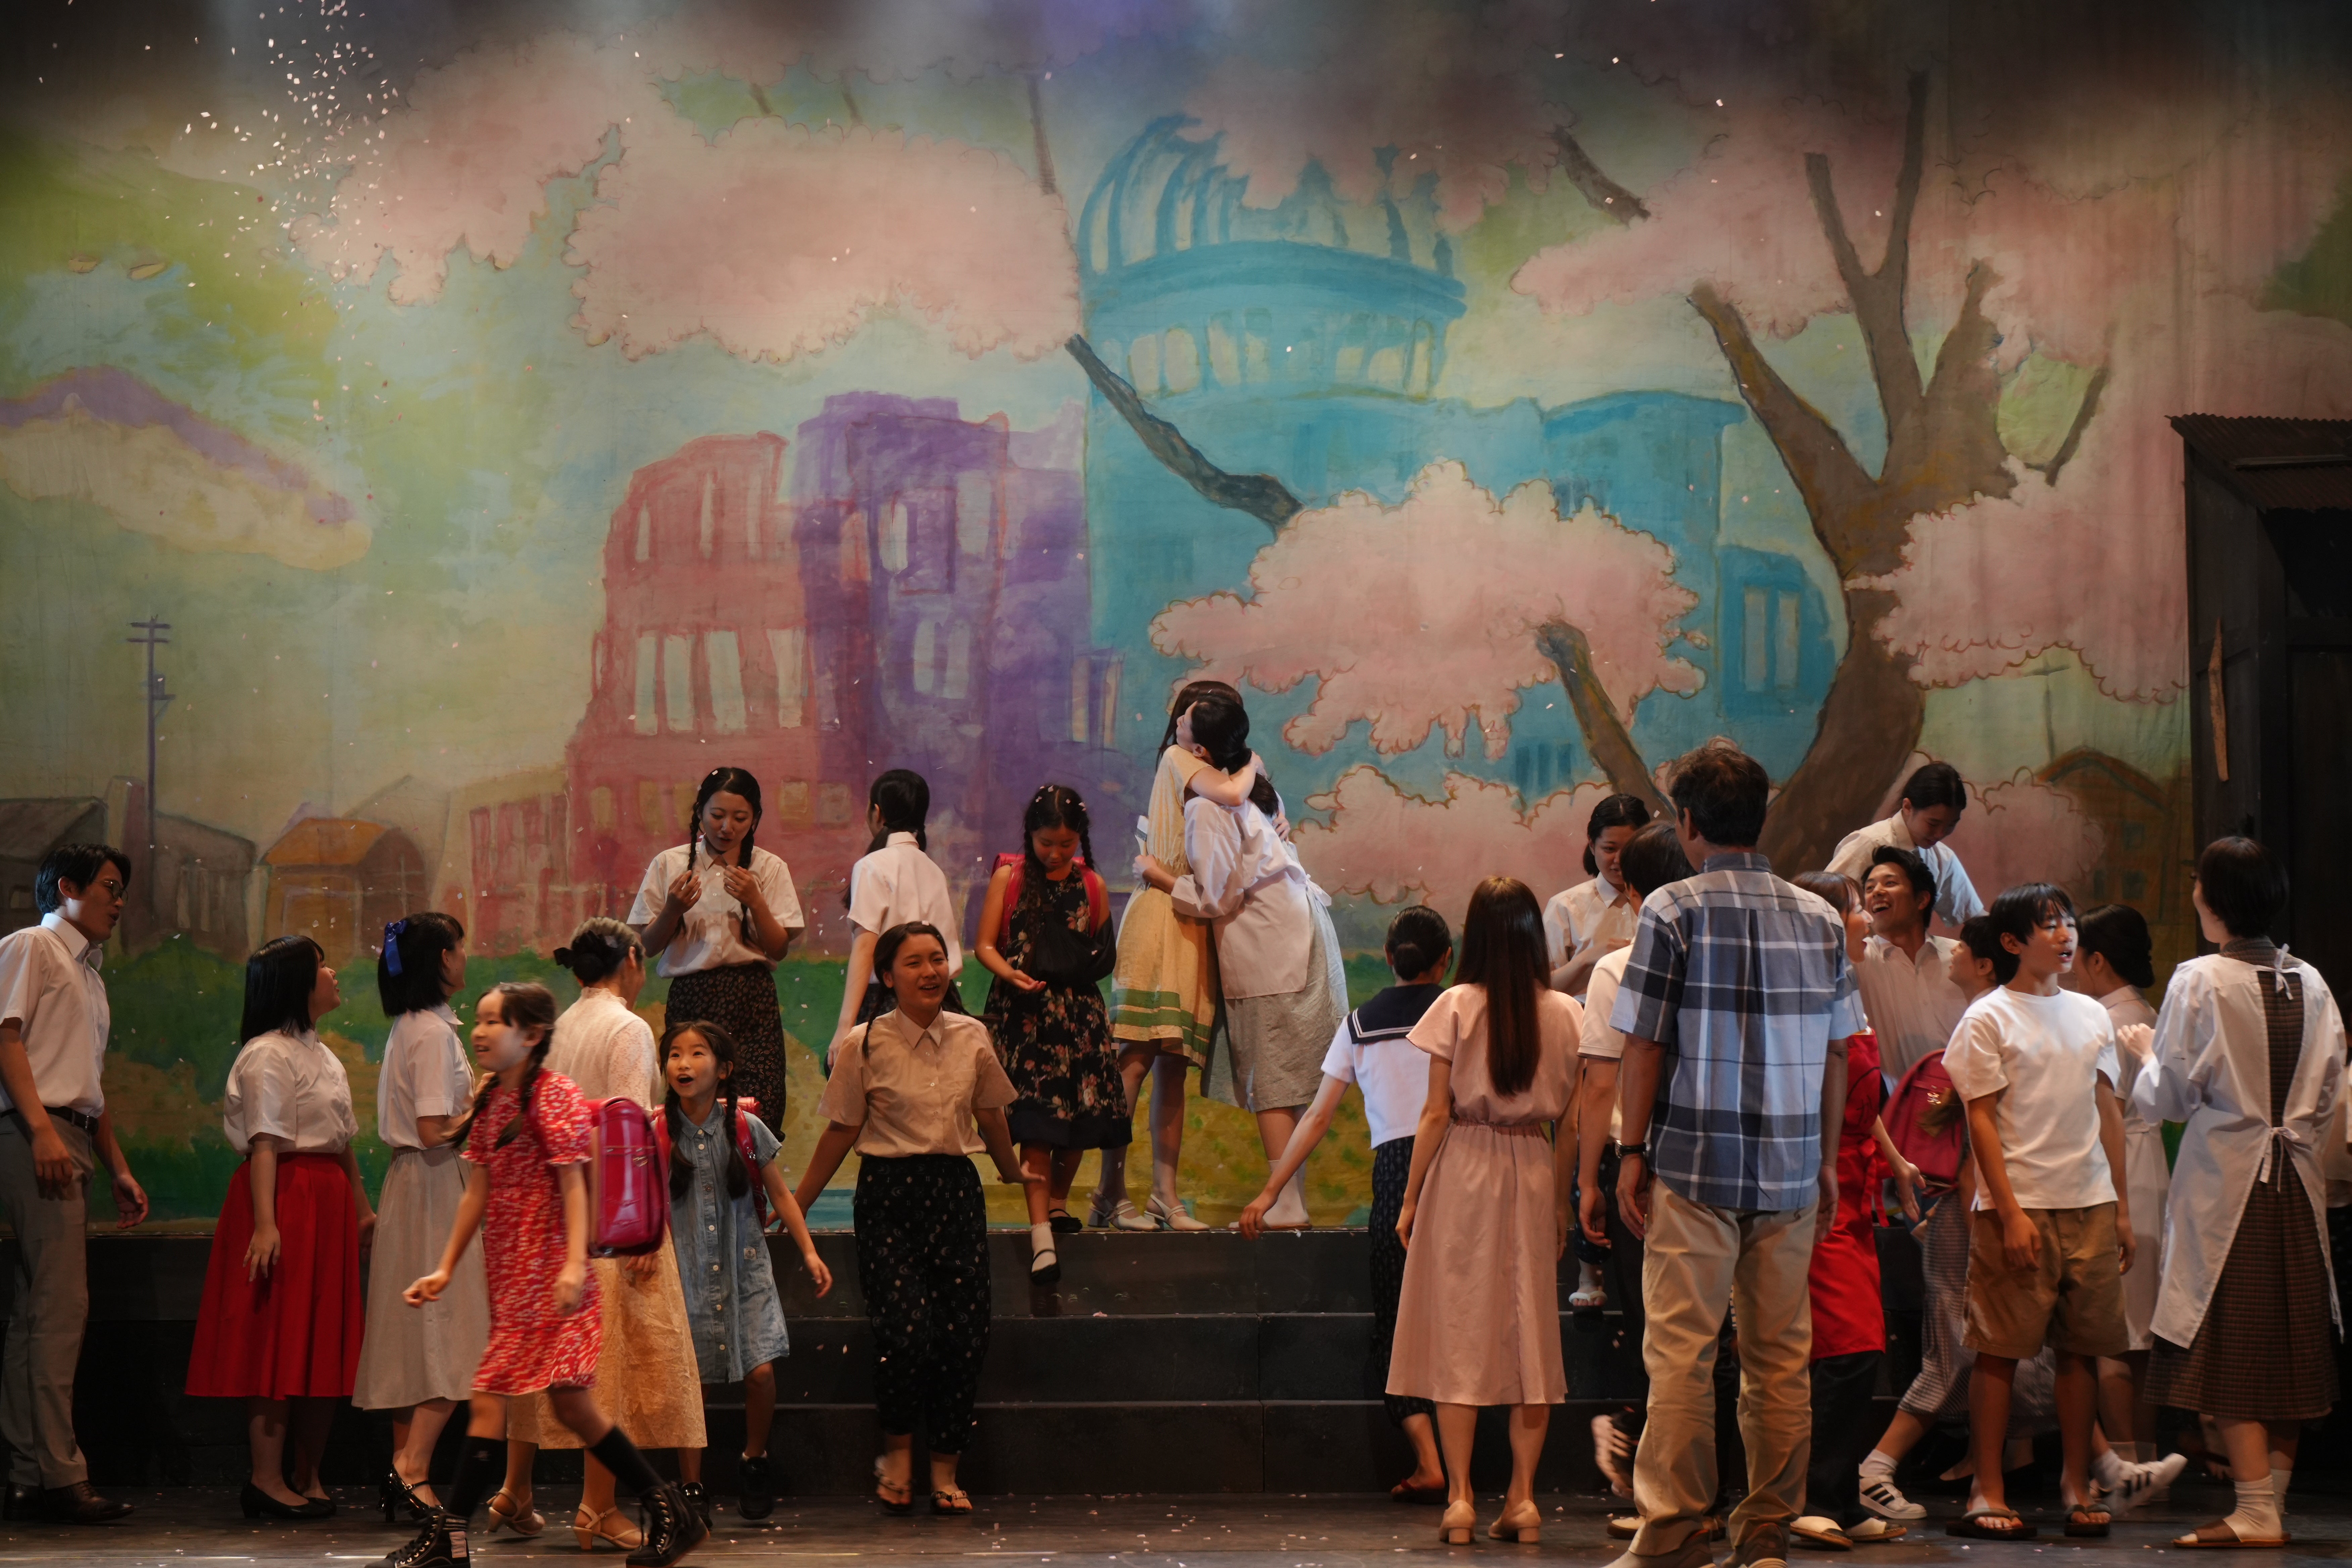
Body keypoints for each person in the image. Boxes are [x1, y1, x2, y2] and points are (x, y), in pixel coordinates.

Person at [1607, 742, 1865, 1568]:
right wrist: (1825, 1159)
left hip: (1694, 1163)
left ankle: (1675, 1531)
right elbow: (1838, 1051)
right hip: (1791, 1166)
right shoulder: (1820, 917)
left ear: (1687, 822)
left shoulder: (1672, 908)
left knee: (1681, 1356)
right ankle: (1766, 1533)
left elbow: (1645, 1042)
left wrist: (1630, 1150)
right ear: (1763, 817)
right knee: (1780, 1359)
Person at [380, 981, 704, 1568]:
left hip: (554, 1285)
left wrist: (576, 1265)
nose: (480, 1032)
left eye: (493, 1022)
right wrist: (445, 1268)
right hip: (515, 1287)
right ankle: (668, 1509)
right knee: (564, 1407)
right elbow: (477, 1192)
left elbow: (575, 1185)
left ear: (531, 1035)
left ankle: (451, 1539)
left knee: (521, 1404)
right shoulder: (492, 1099)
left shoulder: (554, 1096)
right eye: (479, 1020)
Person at [2140, 839, 2347, 1548]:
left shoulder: (2201, 978)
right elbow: (2331, 1090)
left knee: (2226, 1341)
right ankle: (2268, 1505)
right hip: (2295, 1181)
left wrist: (2140, 1057)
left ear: (2213, 898)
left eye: (2198, 882)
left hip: (2231, 1182)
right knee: (2286, 1343)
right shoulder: (2311, 981)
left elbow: (2170, 1094)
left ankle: (2257, 1509)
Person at [792, 924, 1031, 1516]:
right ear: (887, 976)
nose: (930, 972)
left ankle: (946, 1471)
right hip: (888, 1197)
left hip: (955, 1193)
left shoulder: (972, 1035)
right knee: (904, 1333)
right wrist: (797, 1204)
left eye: (937, 959)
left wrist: (1011, 1171)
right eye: (914, 962)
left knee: (963, 1335)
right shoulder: (864, 1043)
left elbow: (991, 1115)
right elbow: (842, 1129)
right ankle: (897, 1457)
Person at [500, 920, 706, 1551]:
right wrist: (641, 1229)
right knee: (608, 1358)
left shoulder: (558, 1027)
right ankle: (598, 1505)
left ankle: (516, 1488)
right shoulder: (627, 1028)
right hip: (607, 1210)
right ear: (633, 960)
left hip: (554, 1210)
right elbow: (626, 1134)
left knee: (546, 1354)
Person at [1237, 905, 1454, 1502]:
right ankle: (1469, 1470)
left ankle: (1430, 1461)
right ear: (1445, 960)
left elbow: (1317, 1116)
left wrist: (1270, 1191)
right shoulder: (1459, 1012)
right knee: (1462, 1320)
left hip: (1395, 1175)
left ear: (1388, 957)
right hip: (1459, 1165)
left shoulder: (1360, 1023)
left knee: (1398, 1324)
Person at [1388, 877, 1579, 1546]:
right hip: (1532, 1163)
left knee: (1459, 1330)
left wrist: (1410, 1196)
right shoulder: (1566, 1012)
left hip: (1465, 1167)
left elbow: (1435, 1112)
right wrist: (1562, 1202)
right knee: (1532, 1334)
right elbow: (1570, 1126)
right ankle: (1523, 1498)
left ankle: (1462, 1498)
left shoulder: (1456, 1003)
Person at [1941, 883, 2133, 1541]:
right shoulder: (1989, 1016)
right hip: (2018, 1204)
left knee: (2081, 1350)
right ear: (2012, 941)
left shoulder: (2091, 1012)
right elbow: (1981, 1120)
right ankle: (1986, 1485)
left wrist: (2122, 1207)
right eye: (2048, 924)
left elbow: (2108, 1109)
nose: (2065, 933)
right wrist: (2009, 1210)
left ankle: (2076, 1481)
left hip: (2090, 1201)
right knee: (1999, 1350)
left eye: (2067, 920)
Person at [1859, 918, 2061, 1522]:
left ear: (1984, 964)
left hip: (1983, 1212)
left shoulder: (1992, 1021)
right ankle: (1877, 1467)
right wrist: (1984, 1227)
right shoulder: (1989, 1021)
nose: (1952, 954)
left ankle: (2060, 1462)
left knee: (1982, 1350)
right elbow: (1974, 1146)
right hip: (1976, 1215)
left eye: (1964, 949)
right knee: (1962, 1353)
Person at [1139, 693, 1346, 1233]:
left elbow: (1218, 898)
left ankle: (1287, 1201)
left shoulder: (1206, 808)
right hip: (1292, 931)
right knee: (1283, 1072)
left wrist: (1160, 877)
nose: (1176, 726)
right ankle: (1289, 1197)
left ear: (1199, 751)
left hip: (1270, 946)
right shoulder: (1248, 787)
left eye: (1183, 724)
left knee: (1270, 1073)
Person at [186, 935, 374, 1519]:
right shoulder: (267, 1053)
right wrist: (267, 1224)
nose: (333, 972)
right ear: (295, 982)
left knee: (322, 1334)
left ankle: (310, 1475)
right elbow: (266, 1141)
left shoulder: (324, 1054)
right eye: (321, 965)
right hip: (285, 1196)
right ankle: (266, 1478)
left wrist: (363, 1207)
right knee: (278, 1334)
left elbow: (342, 1141)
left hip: (326, 1198)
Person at [0, 844, 146, 1526]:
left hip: (73, 1133)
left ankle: (29, 1473)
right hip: (40, 1131)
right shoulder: (33, 946)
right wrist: (40, 1131)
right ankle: (61, 1474)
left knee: (39, 1311)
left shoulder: (89, 976)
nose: (119, 900)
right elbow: (6, 1039)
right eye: (109, 886)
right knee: (60, 1308)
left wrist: (118, 1166)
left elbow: (90, 1082)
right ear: (67, 887)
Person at [1102, 678, 1268, 1231]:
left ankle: (1164, 1195)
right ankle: (1110, 1190)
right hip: (1160, 916)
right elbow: (1233, 793)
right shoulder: (1181, 760)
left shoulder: (1209, 772)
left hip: (1192, 920)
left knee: (1173, 1066)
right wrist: (1254, 763)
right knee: (1135, 1057)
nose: (1179, 723)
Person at [662, 1020, 832, 1522]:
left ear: (724, 1069)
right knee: (694, 1381)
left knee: (760, 1372)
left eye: (697, 1053)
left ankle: (754, 1459)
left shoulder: (746, 1127)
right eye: (675, 1054)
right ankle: (691, 1485)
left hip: (745, 1269)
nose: (684, 1063)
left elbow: (780, 1193)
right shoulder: (658, 1133)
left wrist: (809, 1252)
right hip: (687, 1274)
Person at [1784, 873, 1910, 1549]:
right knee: (1847, 1347)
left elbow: (1858, 1094)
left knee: (1857, 1345)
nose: (1868, 918)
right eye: (1858, 907)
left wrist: (1894, 1158)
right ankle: (1811, 1495)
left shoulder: (1846, 988)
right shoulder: (1801, 996)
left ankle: (1834, 1493)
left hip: (1856, 1190)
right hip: (1816, 1187)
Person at [1573, 821, 1694, 1511]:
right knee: (1707, 1329)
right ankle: (1695, 1485)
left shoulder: (1617, 968)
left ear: (1633, 891)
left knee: (1654, 1321)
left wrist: (1588, 1180)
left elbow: (1599, 1084)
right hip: (1713, 1160)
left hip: (1636, 1165)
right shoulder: (1721, 952)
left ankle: (1659, 1486)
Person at [355, 913, 489, 1524]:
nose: (465, 957)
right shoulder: (432, 1033)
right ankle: (412, 1470)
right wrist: (489, 1103)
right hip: (436, 1182)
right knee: (451, 1333)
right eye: (459, 947)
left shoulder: (414, 1026)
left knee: (419, 1337)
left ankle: (404, 1472)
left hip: (416, 1181)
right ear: (442, 958)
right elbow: (436, 1129)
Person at [976, 785, 1122, 1283]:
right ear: (1030, 835)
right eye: (1046, 843)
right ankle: (1040, 1234)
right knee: (1037, 1125)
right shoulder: (1009, 876)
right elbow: (984, 945)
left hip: (1079, 1017)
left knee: (1077, 1123)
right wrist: (1011, 974)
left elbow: (1101, 951)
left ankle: (1058, 1203)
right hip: (1025, 1016)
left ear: (1081, 838)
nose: (1056, 853)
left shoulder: (1093, 884)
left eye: (1067, 844)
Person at [632, 766, 804, 1136]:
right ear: (700, 812)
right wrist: (673, 909)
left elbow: (779, 949)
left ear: (755, 818)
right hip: (692, 998)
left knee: (760, 1111)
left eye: (740, 818)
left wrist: (756, 901)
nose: (727, 827)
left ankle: (753, 1174)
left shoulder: (769, 867)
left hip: (752, 998)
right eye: (717, 815)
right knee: (694, 1111)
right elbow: (647, 946)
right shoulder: (669, 864)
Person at [831, 770, 964, 1055]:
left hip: (890, 1002)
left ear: (877, 812)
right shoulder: (933, 870)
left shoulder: (872, 866)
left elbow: (865, 947)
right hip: (940, 1002)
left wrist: (845, 1027)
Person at [1855, 847, 1968, 1082]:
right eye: (1870, 888)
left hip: (1969, 1095)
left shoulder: (1962, 956)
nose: (1877, 892)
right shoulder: (1860, 959)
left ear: (1922, 899)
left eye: (1890, 883)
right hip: (1899, 1102)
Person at [1828, 761, 1984, 927]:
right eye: (1933, 824)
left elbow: (1974, 917)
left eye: (1951, 825)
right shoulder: (1868, 843)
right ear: (1908, 807)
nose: (1940, 834)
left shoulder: (1942, 858)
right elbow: (1823, 908)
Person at [1545, 793, 1653, 995]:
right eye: (1610, 849)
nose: (1619, 860)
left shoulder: (1660, 900)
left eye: (1630, 849)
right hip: (1582, 1013)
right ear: (1592, 846)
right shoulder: (1565, 907)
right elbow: (1542, 989)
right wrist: (1585, 959)